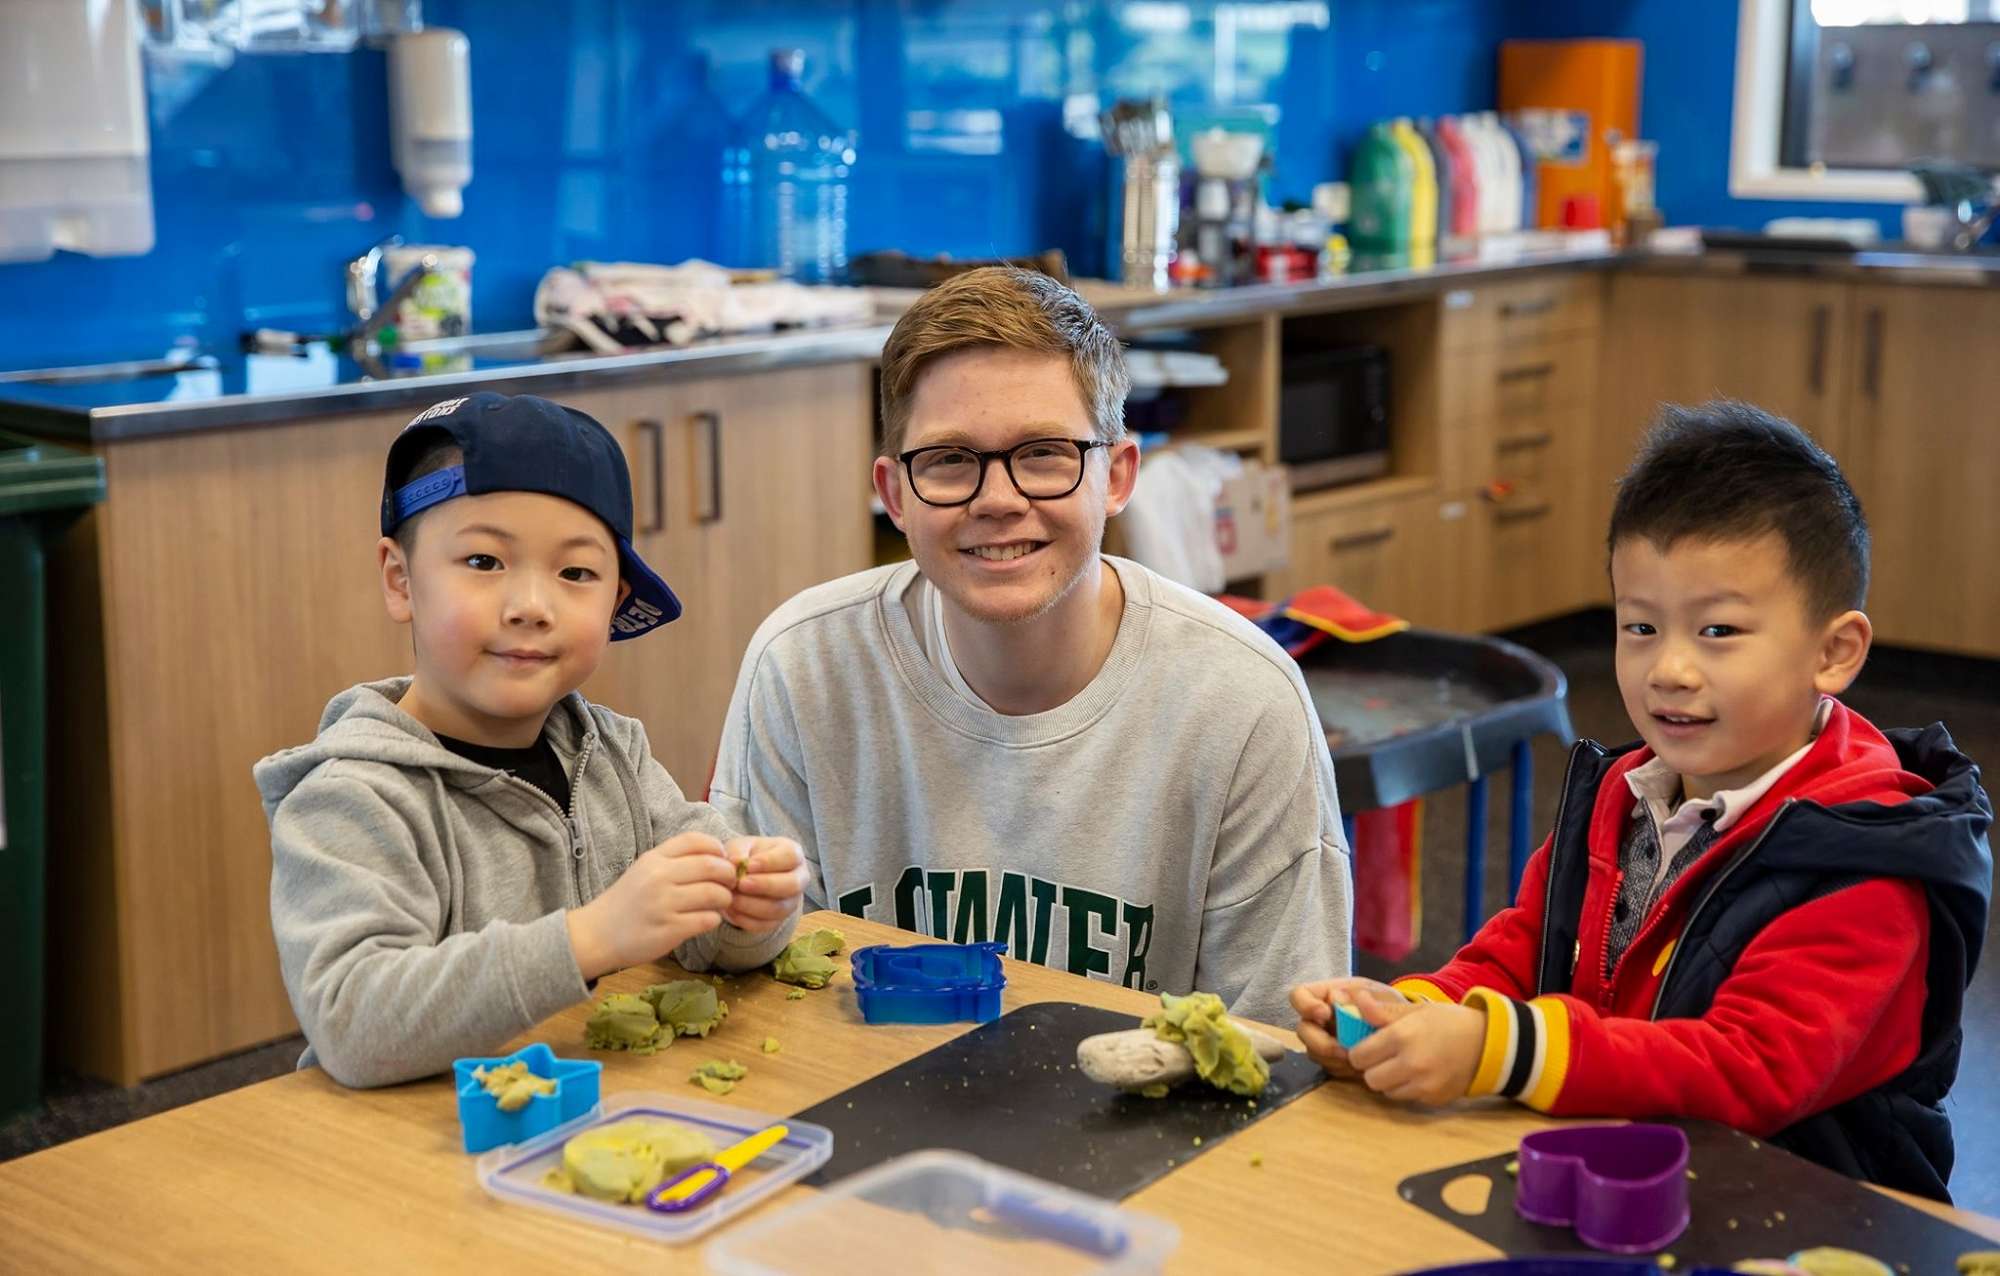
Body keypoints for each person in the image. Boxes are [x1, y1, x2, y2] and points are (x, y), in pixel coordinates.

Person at [1292, 400, 1992, 1200]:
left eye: (1718, 632)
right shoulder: (1624, 794)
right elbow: (1525, 949)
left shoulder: (1869, 859)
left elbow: (1745, 1068)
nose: (1670, 671)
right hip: (1618, 1180)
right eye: (1641, 628)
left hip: (1806, 1215)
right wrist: (1404, 1013)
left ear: (1833, 653)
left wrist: (1498, 1049)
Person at [710, 267, 1351, 1027]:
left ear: (1117, 476)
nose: (998, 500)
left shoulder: (1243, 702)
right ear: (895, 494)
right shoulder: (803, 668)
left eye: (1045, 453)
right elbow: (757, 987)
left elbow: (1276, 1045)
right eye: (950, 459)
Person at [255, 392, 808, 1087]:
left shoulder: (614, 754)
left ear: (614, 601)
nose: (530, 607)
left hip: (588, 1122)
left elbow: (711, 941)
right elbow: (353, 1025)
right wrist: (590, 938)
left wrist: (751, 912)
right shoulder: (350, 797)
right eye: (484, 561)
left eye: (575, 573)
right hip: (414, 1142)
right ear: (401, 581)